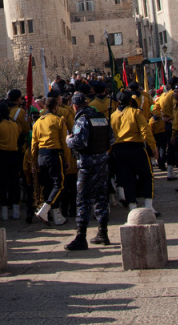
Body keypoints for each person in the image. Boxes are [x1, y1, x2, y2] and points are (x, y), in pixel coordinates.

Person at [64, 91, 114, 250]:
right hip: (102, 162)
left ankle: (81, 236)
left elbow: (80, 141)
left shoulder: (82, 119)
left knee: (83, 199)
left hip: (87, 164)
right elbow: (111, 139)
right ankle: (103, 232)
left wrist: (68, 140)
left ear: (75, 105)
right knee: (101, 197)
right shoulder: (101, 117)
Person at [110, 89, 157, 215]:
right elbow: (145, 130)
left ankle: (132, 206)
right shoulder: (135, 112)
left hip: (119, 150)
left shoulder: (113, 116)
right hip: (135, 147)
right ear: (131, 101)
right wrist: (153, 147)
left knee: (127, 179)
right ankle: (148, 205)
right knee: (146, 175)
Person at [31, 96, 70, 226]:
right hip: (55, 154)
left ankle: (56, 215)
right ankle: (45, 209)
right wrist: (67, 159)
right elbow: (65, 142)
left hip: (41, 156)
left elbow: (34, 145)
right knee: (59, 184)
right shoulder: (59, 120)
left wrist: (34, 162)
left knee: (48, 186)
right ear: (55, 107)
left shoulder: (37, 122)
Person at [0, 102, 24, 221]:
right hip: (14, 156)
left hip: (1, 156)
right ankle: (16, 210)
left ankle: (4, 211)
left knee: (2, 184)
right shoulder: (15, 125)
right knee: (14, 183)